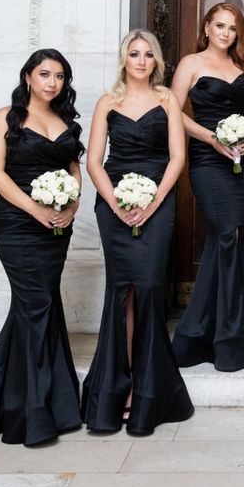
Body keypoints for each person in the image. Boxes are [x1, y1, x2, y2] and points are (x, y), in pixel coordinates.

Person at [0, 49, 83, 445]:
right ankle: (33, 413)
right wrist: (35, 209)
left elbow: (73, 171)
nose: (52, 82)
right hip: (16, 224)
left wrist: (72, 206)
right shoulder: (5, 118)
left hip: (58, 226)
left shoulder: (65, 121)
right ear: (28, 76)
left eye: (60, 76)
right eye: (44, 74)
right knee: (36, 307)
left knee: (37, 307)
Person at [81, 30, 193, 436]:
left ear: (157, 61)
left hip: (157, 204)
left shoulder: (168, 100)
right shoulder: (106, 102)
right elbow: (94, 161)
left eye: (148, 54)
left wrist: (152, 202)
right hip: (113, 204)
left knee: (147, 288)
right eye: (134, 53)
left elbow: (177, 158)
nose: (142, 60)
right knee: (122, 290)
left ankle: (148, 389)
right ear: (124, 59)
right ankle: (118, 386)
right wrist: (116, 204)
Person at [171, 3, 244, 371]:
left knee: (231, 236)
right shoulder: (190, 64)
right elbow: (172, 111)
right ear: (207, 26)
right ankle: (228, 334)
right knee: (226, 233)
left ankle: (218, 330)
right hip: (208, 160)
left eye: (232, 28)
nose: (226, 33)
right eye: (220, 26)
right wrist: (212, 138)